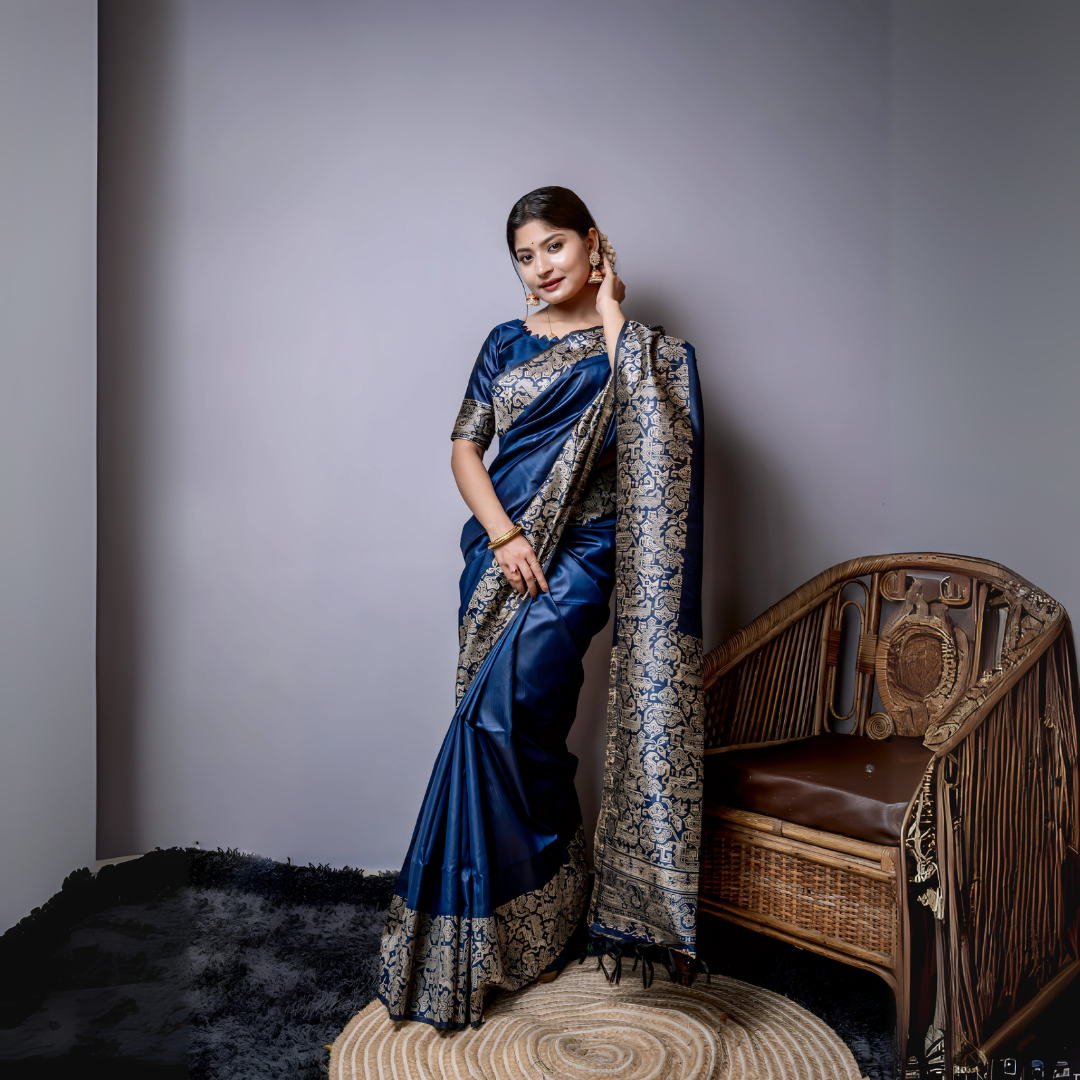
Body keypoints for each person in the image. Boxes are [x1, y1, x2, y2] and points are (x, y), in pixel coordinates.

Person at [378, 186, 705, 1029]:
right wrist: (503, 537)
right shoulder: (503, 343)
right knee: (512, 735)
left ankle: (522, 921)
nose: (540, 266)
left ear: (594, 245)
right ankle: (531, 917)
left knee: (509, 721)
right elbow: (464, 447)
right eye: (525, 256)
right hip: (500, 559)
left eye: (555, 246)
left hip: (586, 556)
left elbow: (660, 437)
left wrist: (612, 312)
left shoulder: (637, 349)